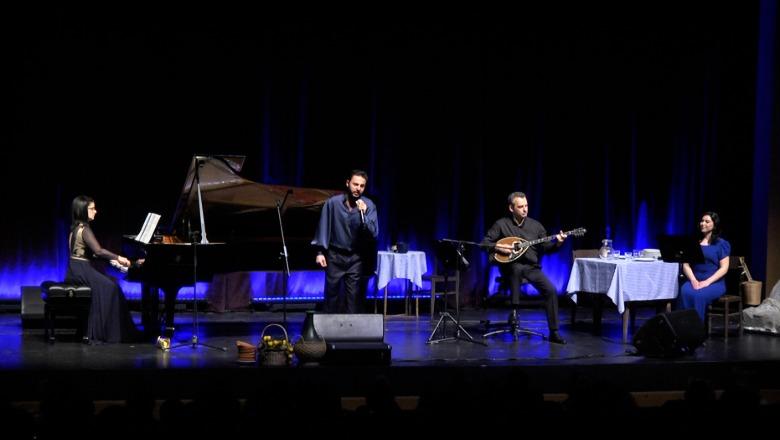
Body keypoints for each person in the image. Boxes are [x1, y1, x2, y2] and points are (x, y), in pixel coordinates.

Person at [481, 192, 568, 344]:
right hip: (510, 266)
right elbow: (484, 243)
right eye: (520, 206)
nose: (525, 209)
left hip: (531, 267)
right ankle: (514, 313)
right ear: (511, 208)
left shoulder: (536, 226)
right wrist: (499, 247)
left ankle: (554, 332)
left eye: (526, 206)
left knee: (551, 290)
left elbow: (547, 247)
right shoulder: (501, 224)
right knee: (515, 269)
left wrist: (558, 243)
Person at [65, 195, 140, 343]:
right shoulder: (85, 229)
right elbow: (98, 251)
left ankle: (105, 329)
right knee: (113, 288)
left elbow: (90, 254)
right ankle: (110, 333)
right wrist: (118, 257)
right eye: (92, 208)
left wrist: (115, 261)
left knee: (110, 286)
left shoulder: (74, 229)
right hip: (82, 270)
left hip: (74, 270)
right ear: (82, 210)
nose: (96, 211)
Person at [312, 170, 378, 313]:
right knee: (331, 297)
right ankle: (329, 326)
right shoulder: (333, 203)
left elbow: (373, 233)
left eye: (362, 186)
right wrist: (320, 252)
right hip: (335, 256)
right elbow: (323, 226)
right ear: (348, 183)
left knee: (353, 299)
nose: (358, 188)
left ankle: (351, 326)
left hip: (356, 258)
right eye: (355, 184)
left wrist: (364, 214)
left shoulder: (369, 205)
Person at [677, 211, 731, 321]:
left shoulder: (721, 244)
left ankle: (696, 327)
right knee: (684, 291)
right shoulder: (694, 243)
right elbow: (686, 264)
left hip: (714, 283)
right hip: (695, 280)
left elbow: (724, 268)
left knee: (699, 295)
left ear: (714, 225)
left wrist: (707, 282)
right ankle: (683, 326)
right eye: (702, 221)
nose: (703, 223)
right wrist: (693, 280)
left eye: (707, 221)